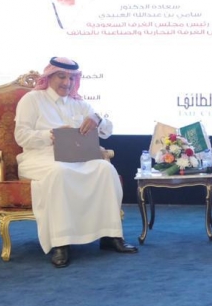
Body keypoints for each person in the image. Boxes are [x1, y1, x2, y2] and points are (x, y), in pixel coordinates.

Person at [14, 57, 137, 268]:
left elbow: (107, 131)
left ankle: (110, 236)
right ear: (49, 77)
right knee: (60, 172)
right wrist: (51, 135)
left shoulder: (79, 104)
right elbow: (21, 136)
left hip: (77, 158)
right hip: (41, 158)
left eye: (71, 78)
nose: (67, 83)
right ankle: (61, 243)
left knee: (105, 169)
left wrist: (98, 119)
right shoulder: (32, 100)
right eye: (61, 77)